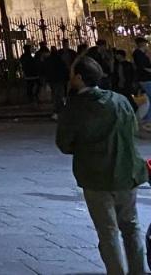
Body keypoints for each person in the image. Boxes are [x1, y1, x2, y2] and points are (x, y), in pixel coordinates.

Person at [56, 55, 148, 275]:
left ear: (78, 78)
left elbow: (64, 144)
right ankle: (138, 270)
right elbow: (132, 130)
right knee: (131, 227)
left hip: (96, 177)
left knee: (108, 232)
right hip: (128, 173)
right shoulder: (120, 100)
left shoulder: (75, 108)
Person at [44, 41, 71, 120]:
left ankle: (57, 112)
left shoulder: (48, 60)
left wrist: (47, 80)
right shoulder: (59, 59)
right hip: (60, 80)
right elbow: (64, 69)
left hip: (53, 81)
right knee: (60, 96)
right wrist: (66, 78)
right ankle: (59, 111)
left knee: (56, 96)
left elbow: (46, 71)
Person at [134, 38, 151, 122]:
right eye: (145, 43)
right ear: (141, 44)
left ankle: (148, 118)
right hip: (145, 79)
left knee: (149, 99)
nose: (146, 45)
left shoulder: (144, 53)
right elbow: (142, 67)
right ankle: (147, 118)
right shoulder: (137, 53)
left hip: (147, 78)